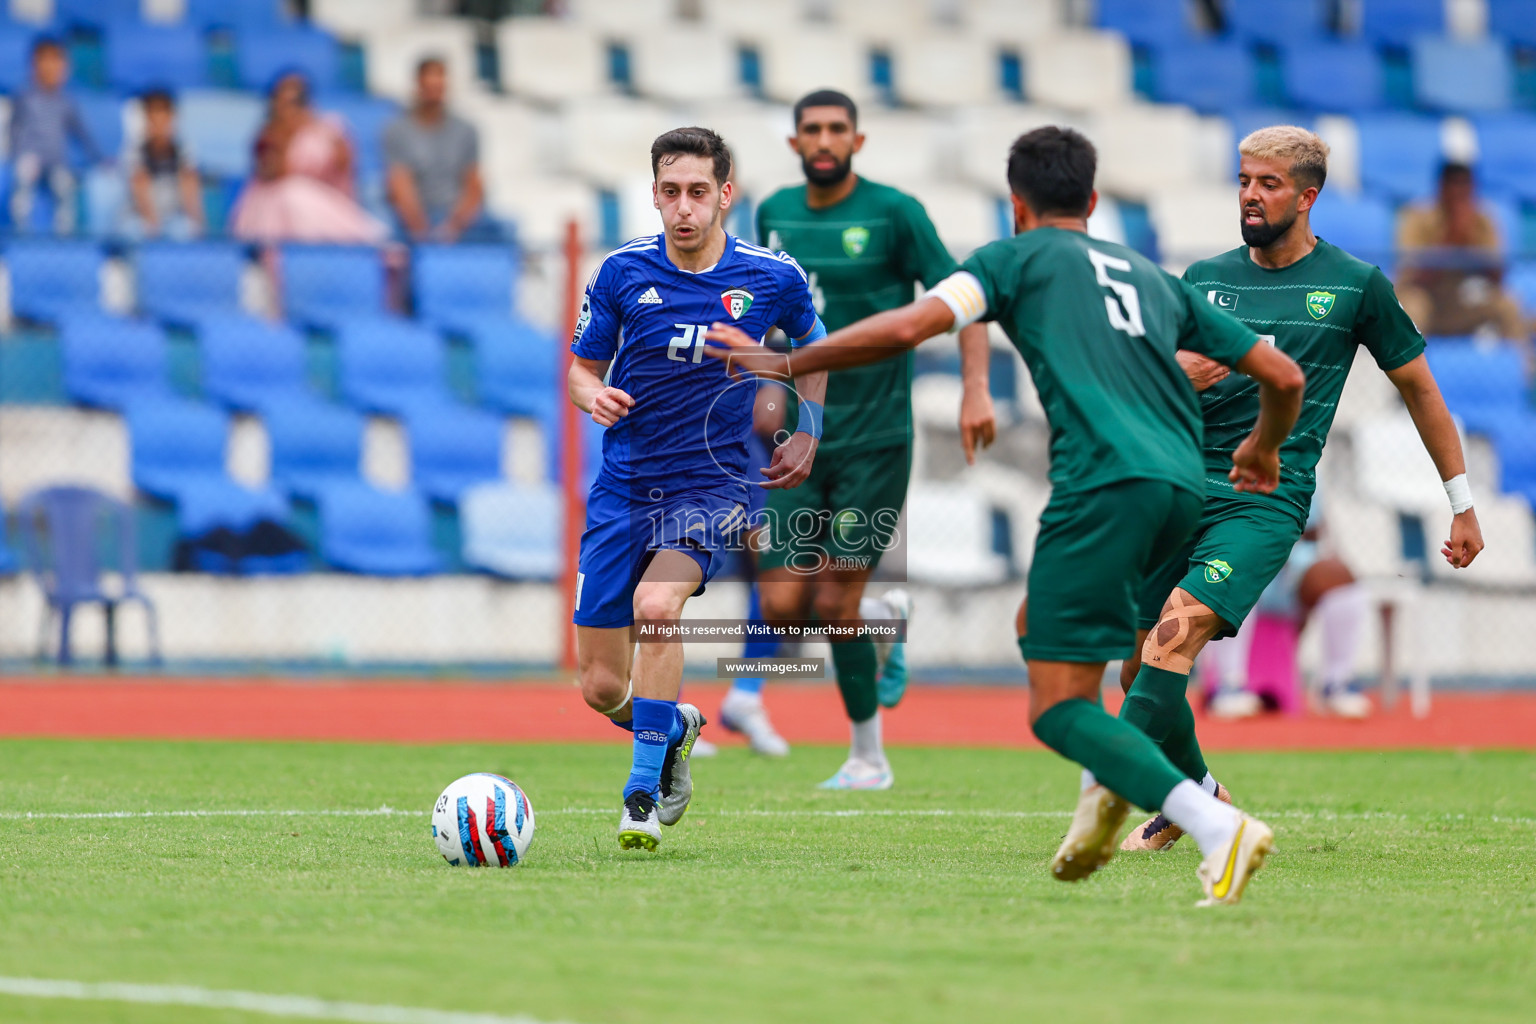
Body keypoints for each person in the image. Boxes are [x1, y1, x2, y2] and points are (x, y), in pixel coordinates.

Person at [706, 126, 1306, 905]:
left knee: (1055, 705)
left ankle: (1215, 824)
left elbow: (908, 326)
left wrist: (787, 362)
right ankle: (1104, 797)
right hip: (1181, 489)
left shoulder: (1011, 259)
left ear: (1015, 205)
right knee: (1040, 628)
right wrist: (1262, 450)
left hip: (1102, 487)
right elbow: (1282, 373)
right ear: (1092, 201)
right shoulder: (1152, 277)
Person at [1118, 126, 1485, 853]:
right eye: (1245, 181)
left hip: (1261, 499)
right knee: (1137, 664)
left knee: (1175, 636)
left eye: (1269, 184)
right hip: (1174, 491)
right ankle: (1204, 801)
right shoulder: (1204, 278)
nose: (1251, 195)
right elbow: (1150, 381)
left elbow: (1420, 390)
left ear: (1308, 195)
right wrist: (1176, 376)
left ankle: (1100, 804)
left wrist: (1463, 501)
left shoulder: (1355, 286)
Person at [724, 88, 997, 789]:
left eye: (835, 129)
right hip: (799, 434)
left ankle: (867, 757)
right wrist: (761, 381)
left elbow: (967, 301)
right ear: (794, 143)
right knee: (784, 604)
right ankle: (882, 612)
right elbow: (767, 312)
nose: (823, 139)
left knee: (833, 605)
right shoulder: (774, 212)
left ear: (857, 140)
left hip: (876, 437)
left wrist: (974, 390)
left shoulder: (896, 213)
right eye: (811, 129)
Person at [568, 126, 829, 851]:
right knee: (598, 685)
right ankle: (673, 723)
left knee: (658, 607)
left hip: (713, 485)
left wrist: (806, 428)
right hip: (625, 486)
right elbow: (582, 370)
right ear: (654, 194)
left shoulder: (772, 276)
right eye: (671, 192)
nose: (685, 207)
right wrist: (592, 395)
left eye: (698, 192)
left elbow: (815, 351)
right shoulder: (621, 273)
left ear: (726, 194)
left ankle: (641, 796)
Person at [1203, 496, 1371, 720]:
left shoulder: (1303, 463)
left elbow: (1312, 531)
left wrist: (1280, 546)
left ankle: (1336, 683)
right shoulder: (1217, 463)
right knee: (1236, 570)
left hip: (1288, 564)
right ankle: (1229, 685)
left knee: (1338, 575)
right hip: (1230, 557)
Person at [230, 71, 385, 244]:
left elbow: (345, 167)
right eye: (281, 102)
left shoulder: (330, 127)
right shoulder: (267, 136)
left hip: (328, 205)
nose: (288, 109)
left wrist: (317, 131)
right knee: (292, 194)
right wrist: (286, 132)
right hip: (272, 207)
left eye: (296, 102)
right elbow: (277, 174)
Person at [1395, 162, 1529, 352]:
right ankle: (1407, 376)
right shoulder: (1416, 217)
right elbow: (1415, 277)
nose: (1459, 193)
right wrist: (1452, 237)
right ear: (1441, 187)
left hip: (1462, 301)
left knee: (1507, 305)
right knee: (1414, 308)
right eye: (1454, 185)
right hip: (1427, 299)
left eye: (1465, 186)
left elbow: (1498, 278)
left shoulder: (1482, 219)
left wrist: (1472, 242)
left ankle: (1524, 374)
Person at [383, 56, 488, 242]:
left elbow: (474, 184)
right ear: (418, 85)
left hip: (455, 214)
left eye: (439, 83)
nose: (434, 90)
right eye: (429, 84)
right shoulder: (397, 131)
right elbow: (399, 184)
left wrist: (454, 225)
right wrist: (420, 228)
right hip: (413, 215)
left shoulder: (466, 131)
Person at [8, 37, 101, 235]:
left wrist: (97, 157)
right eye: (44, 61)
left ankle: (63, 235)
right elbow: (14, 128)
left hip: (56, 159)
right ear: (33, 65)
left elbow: (82, 134)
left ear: (64, 67)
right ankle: (20, 230)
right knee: (23, 178)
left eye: (56, 62)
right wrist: (15, 155)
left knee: (64, 186)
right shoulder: (24, 96)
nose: (50, 68)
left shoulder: (67, 102)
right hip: (30, 155)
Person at [125, 89, 205, 239]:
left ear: (172, 119)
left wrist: (197, 224)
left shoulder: (184, 149)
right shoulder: (134, 151)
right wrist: (153, 226)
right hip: (141, 214)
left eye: (163, 119)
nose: (159, 127)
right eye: (153, 120)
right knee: (133, 230)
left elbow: (190, 186)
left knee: (184, 230)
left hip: (173, 215)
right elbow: (139, 187)